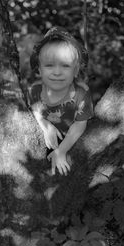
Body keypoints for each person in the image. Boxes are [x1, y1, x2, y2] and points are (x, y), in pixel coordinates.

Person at [27, 27, 93, 176]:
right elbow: (35, 110)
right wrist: (46, 126)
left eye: (65, 65)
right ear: (39, 69)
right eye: (49, 65)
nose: (57, 72)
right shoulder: (35, 90)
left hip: (71, 139)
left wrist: (61, 151)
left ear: (75, 70)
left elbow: (79, 125)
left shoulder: (81, 93)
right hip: (44, 140)